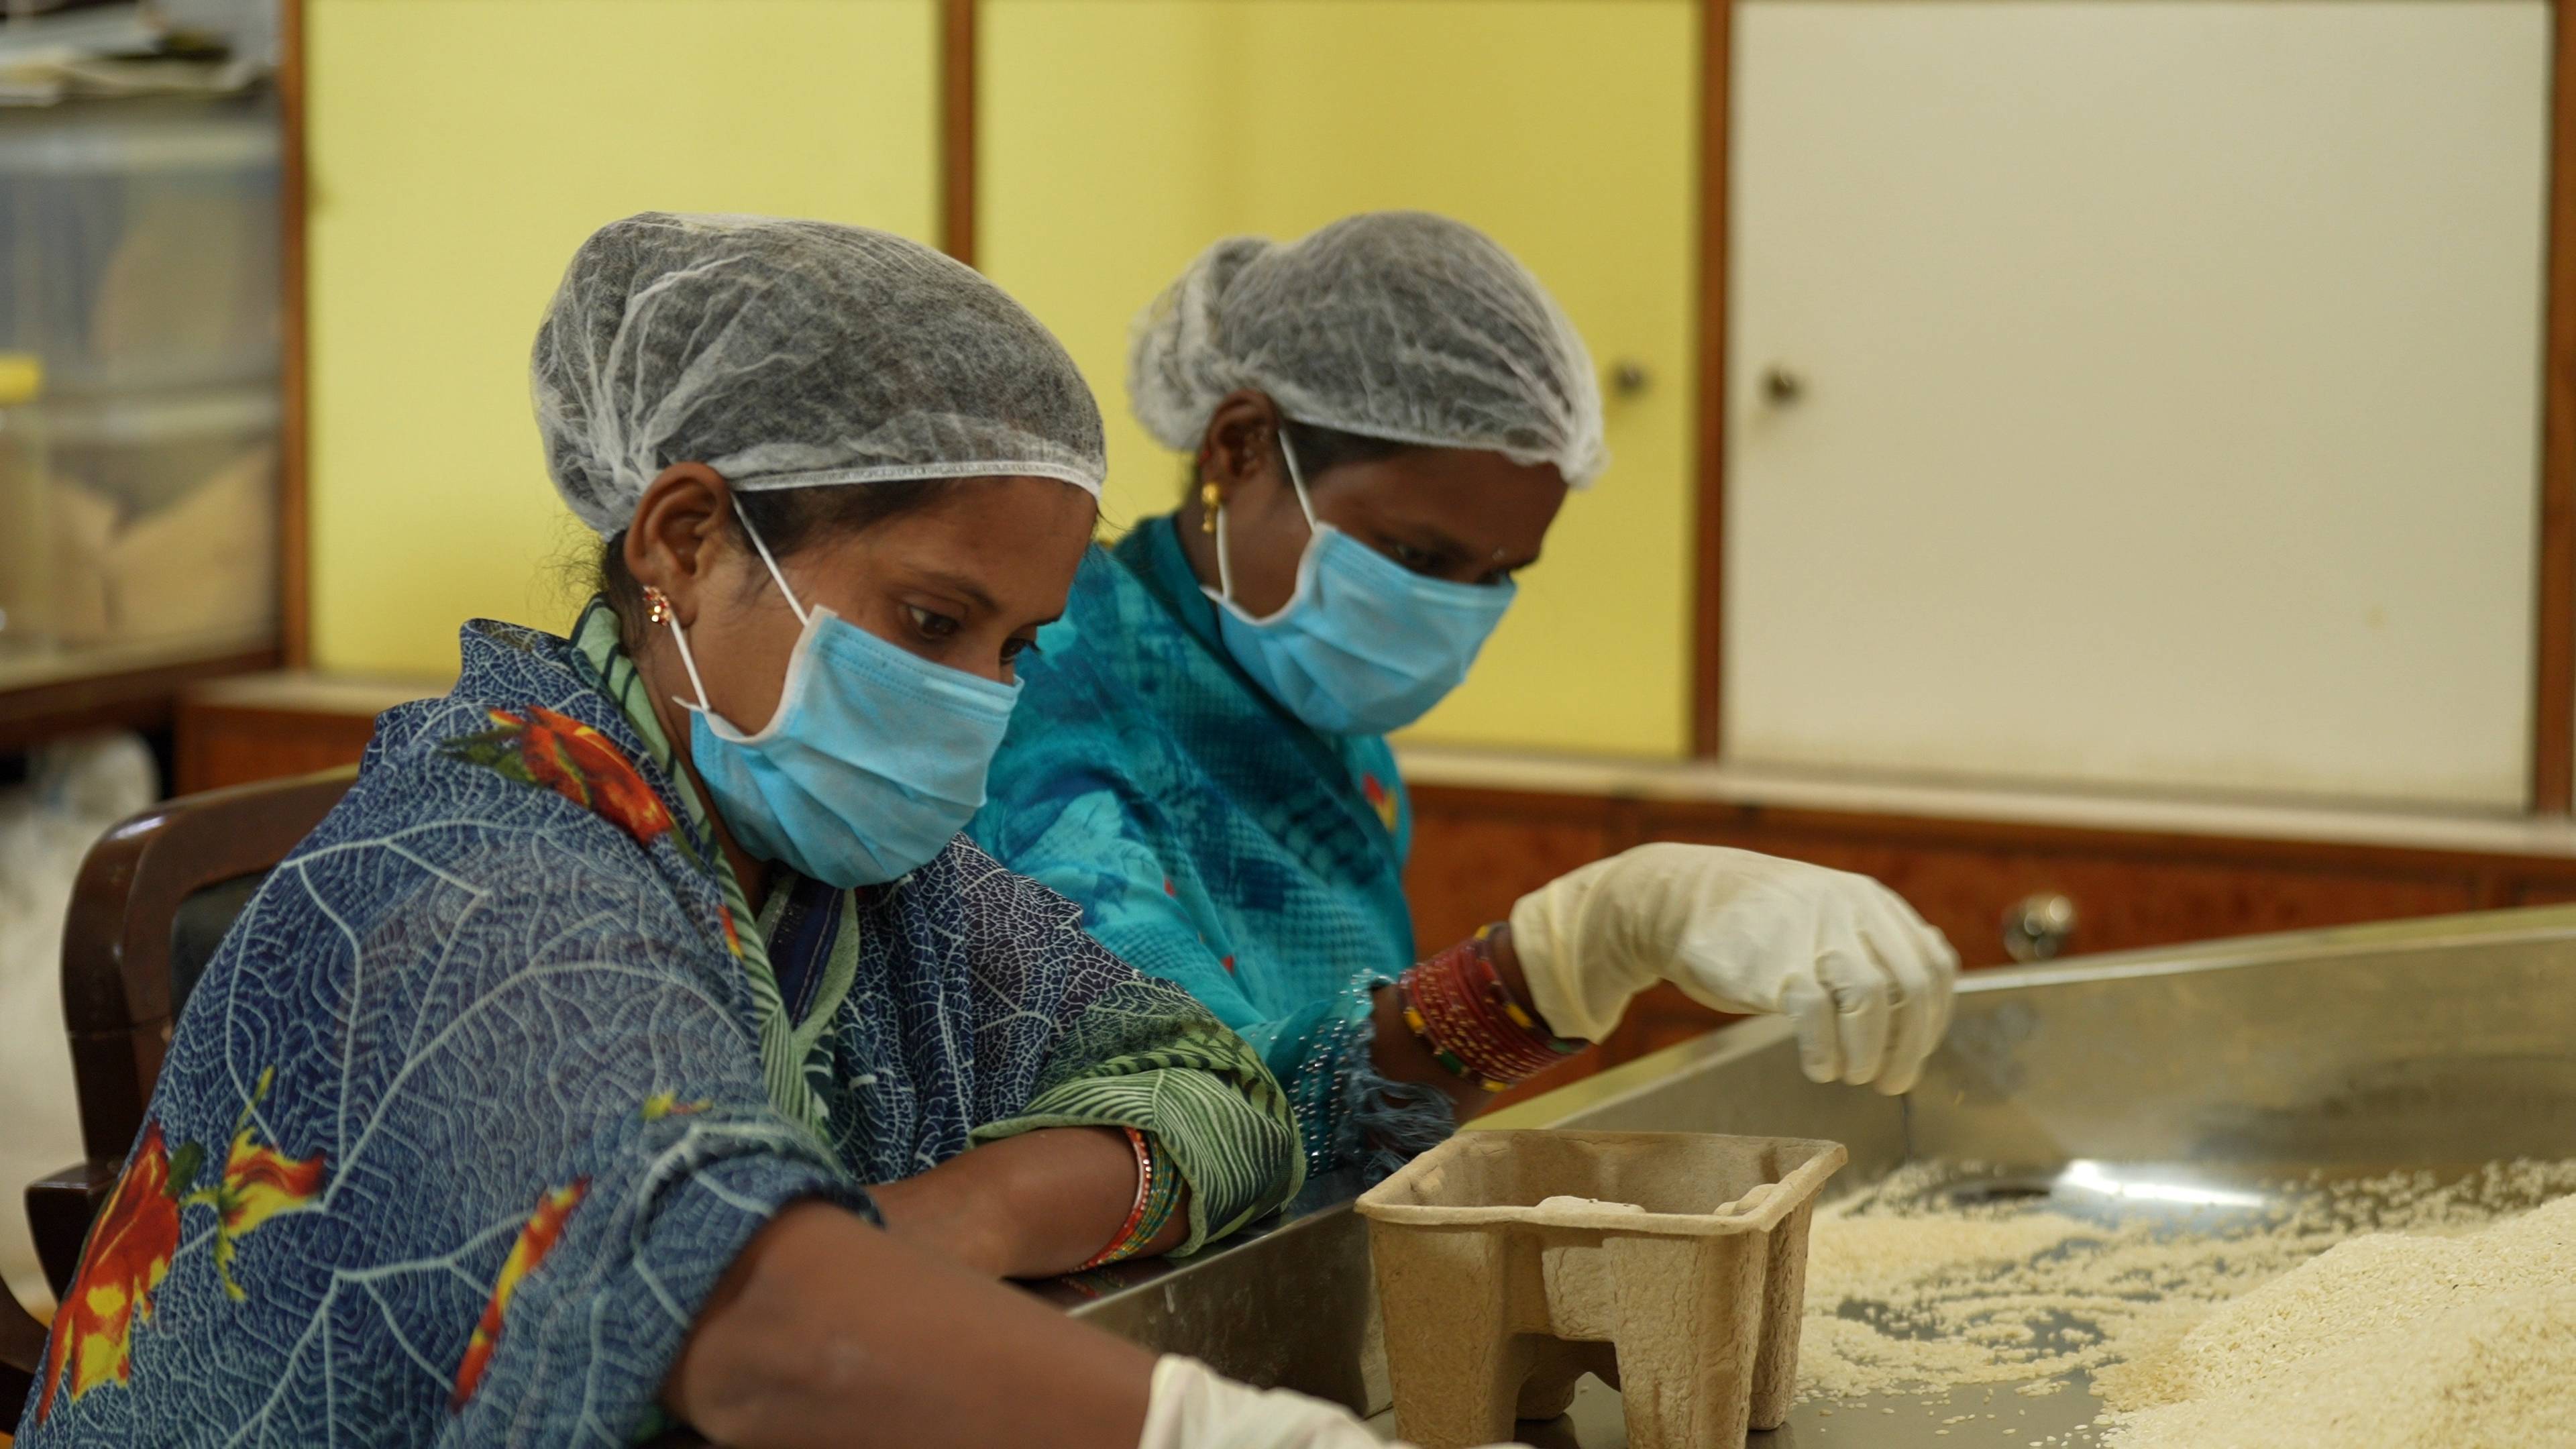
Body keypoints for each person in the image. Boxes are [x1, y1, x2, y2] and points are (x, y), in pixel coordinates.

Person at [16, 215, 1430, 1449]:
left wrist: (963, 1217)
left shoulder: (871, 881)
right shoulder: (474, 888)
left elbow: (1217, 1088)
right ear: (684, 542)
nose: (977, 701)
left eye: (1014, 648)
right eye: (932, 621)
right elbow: (751, 1330)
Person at [972, 211, 1960, 1181]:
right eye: (1416, 556)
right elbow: (1202, 1128)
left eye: (1498, 574)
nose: (1448, 611)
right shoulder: (1040, 697)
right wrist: (1559, 963)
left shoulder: (1308, 710)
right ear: (1240, 449)